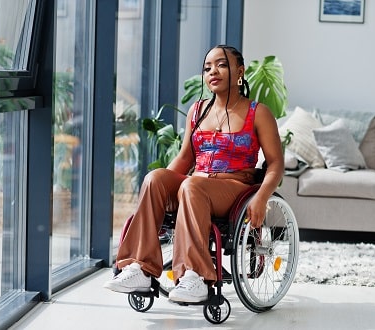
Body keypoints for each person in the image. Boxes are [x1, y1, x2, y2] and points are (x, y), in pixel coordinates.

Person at [103, 45, 284, 303]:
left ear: (240, 71)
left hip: (233, 188)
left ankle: (193, 276)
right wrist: (160, 185)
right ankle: (140, 269)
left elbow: (276, 163)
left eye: (221, 65)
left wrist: (262, 197)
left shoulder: (258, 113)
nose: (213, 71)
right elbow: (186, 158)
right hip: (195, 186)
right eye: (207, 67)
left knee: (192, 186)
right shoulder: (197, 111)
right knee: (155, 178)